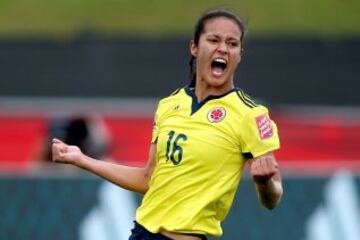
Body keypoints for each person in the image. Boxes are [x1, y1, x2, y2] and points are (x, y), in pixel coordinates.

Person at [52, 8, 283, 240]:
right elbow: (148, 178)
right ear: (194, 47)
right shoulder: (170, 104)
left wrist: (265, 185)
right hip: (142, 233)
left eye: (232, 44)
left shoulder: (250, 114)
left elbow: (273, 198)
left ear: (239, 54)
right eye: (213, 39)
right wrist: (82, 159)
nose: (223, 48)